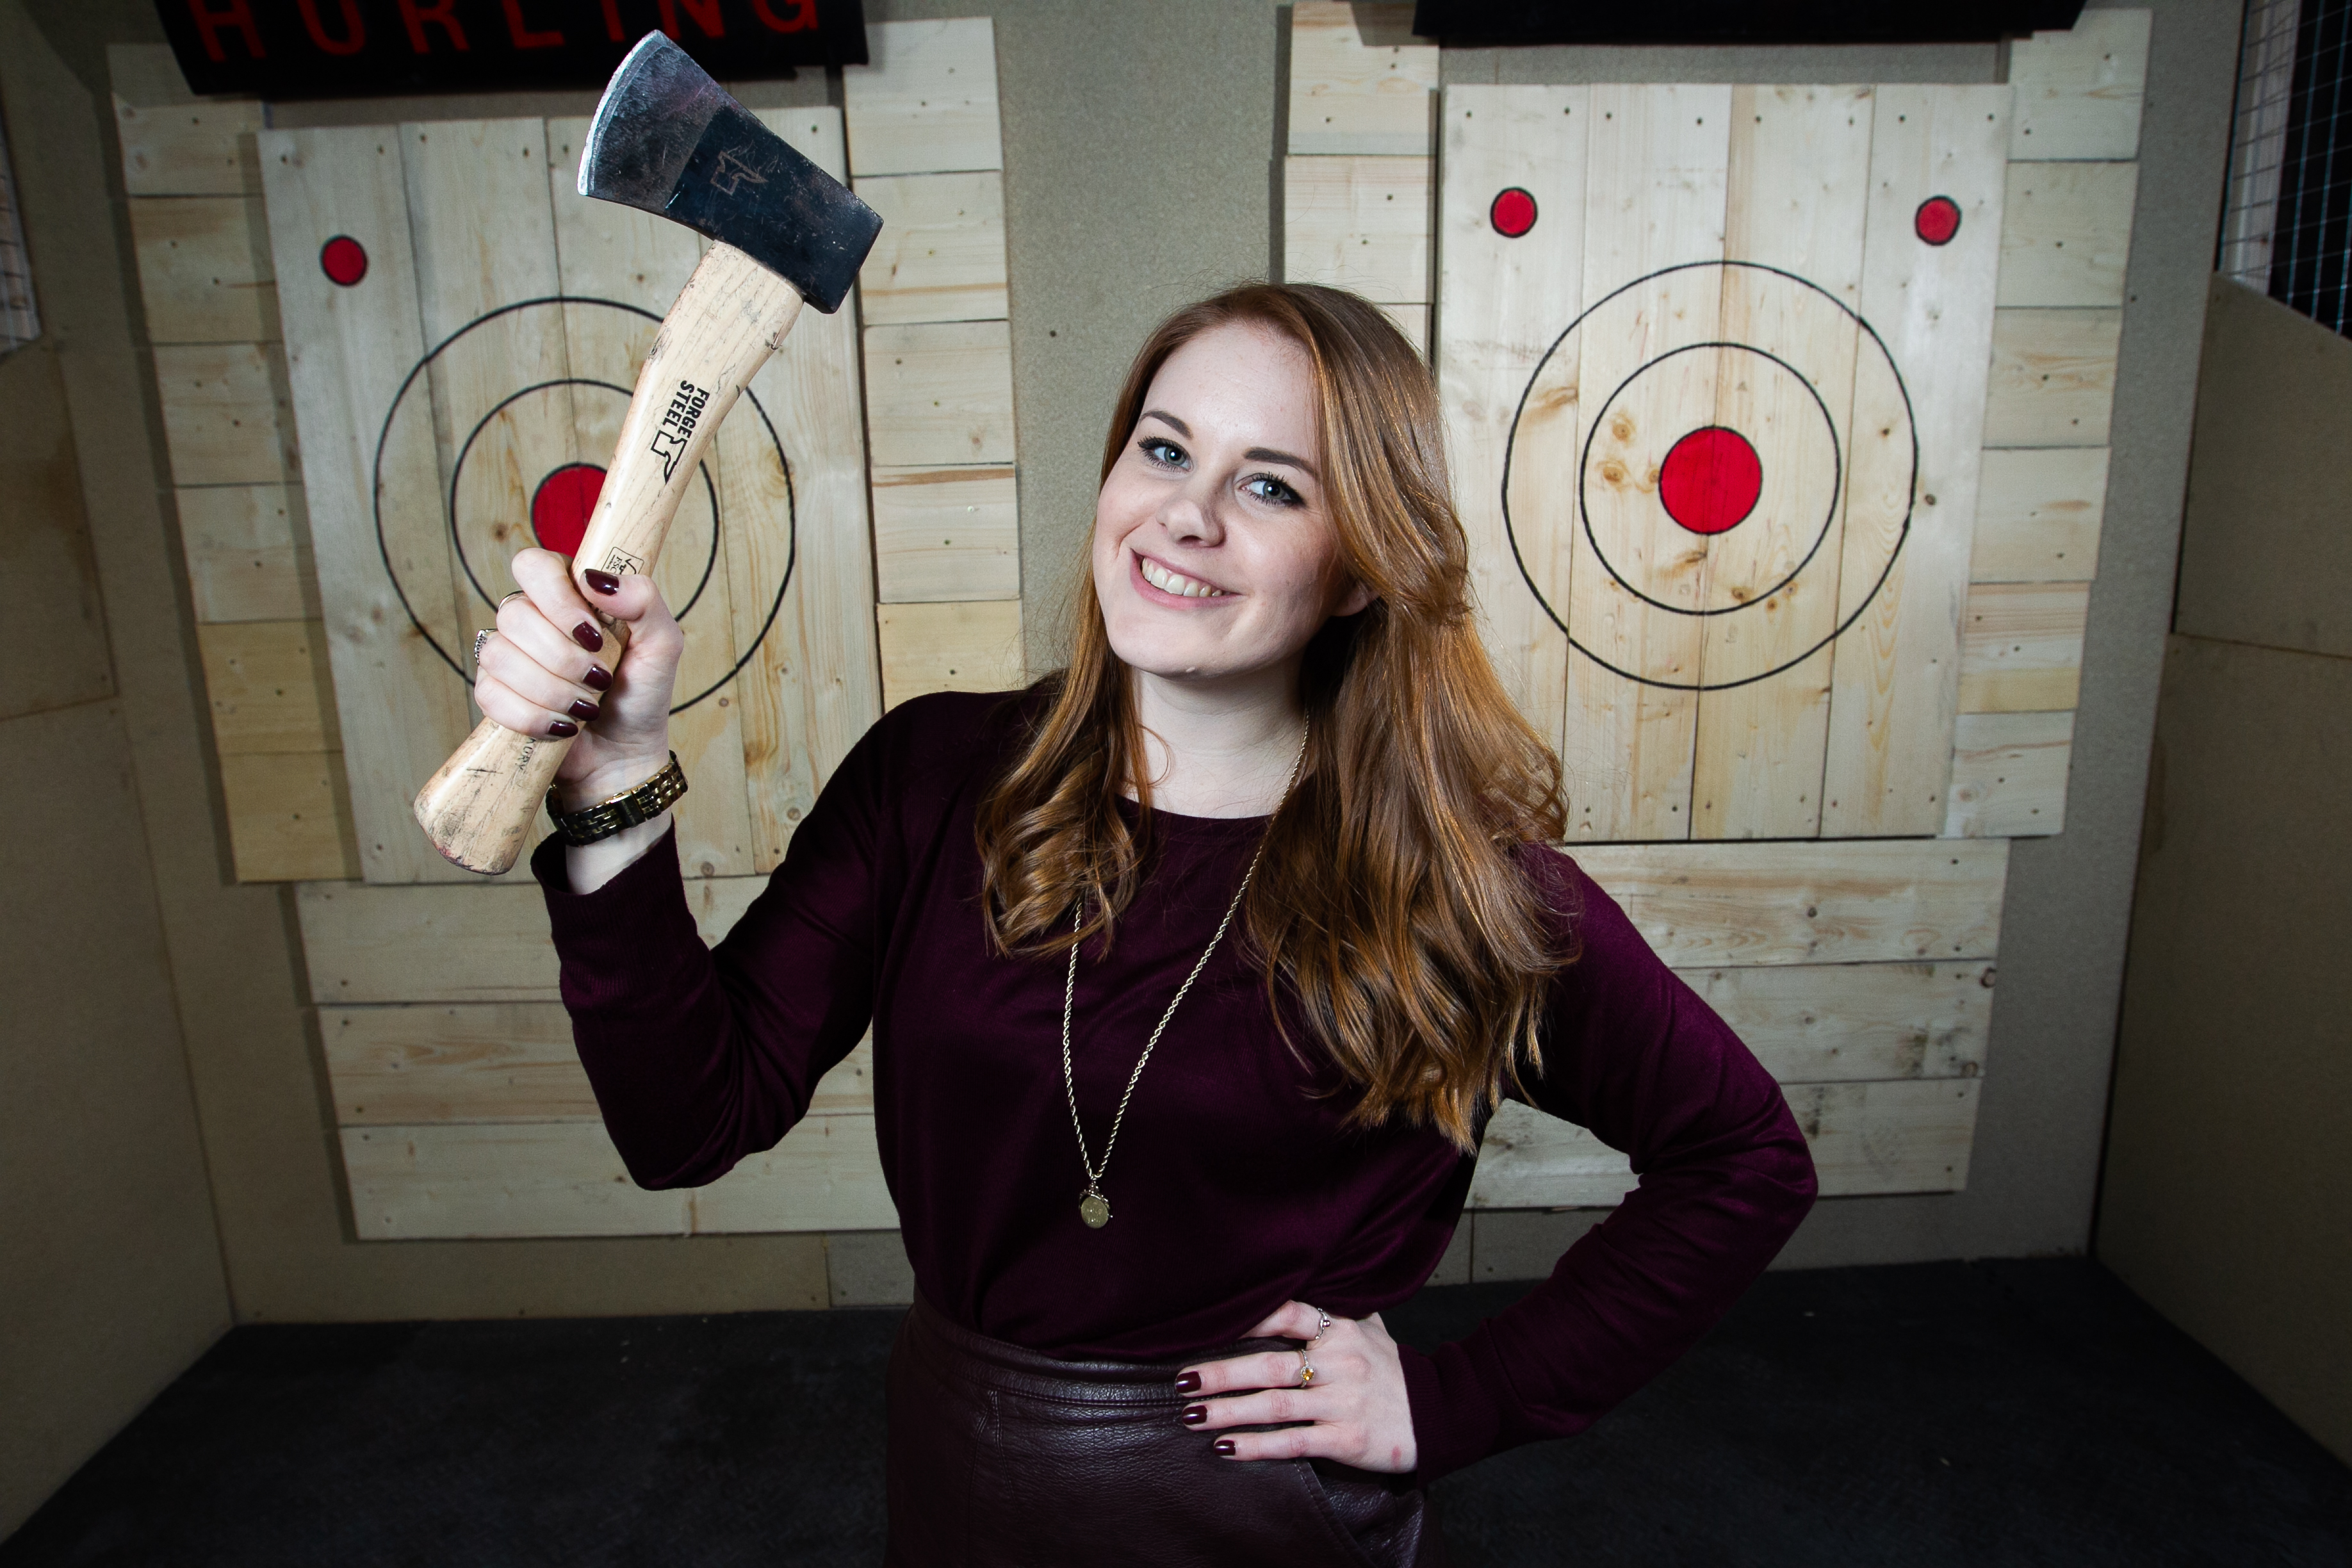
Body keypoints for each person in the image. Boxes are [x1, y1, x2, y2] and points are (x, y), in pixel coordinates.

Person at [477, 282, 1818, 1565]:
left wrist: (1456, 1398)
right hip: (956, 1472)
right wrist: (614, 784)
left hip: (1268, 1517)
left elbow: (1743, 1159)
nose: (1187, 515)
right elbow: (687, 1124)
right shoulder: (932, 777)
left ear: (1359, 571)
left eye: (1273, 486)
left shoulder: (1461, 884)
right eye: (1165, 450)